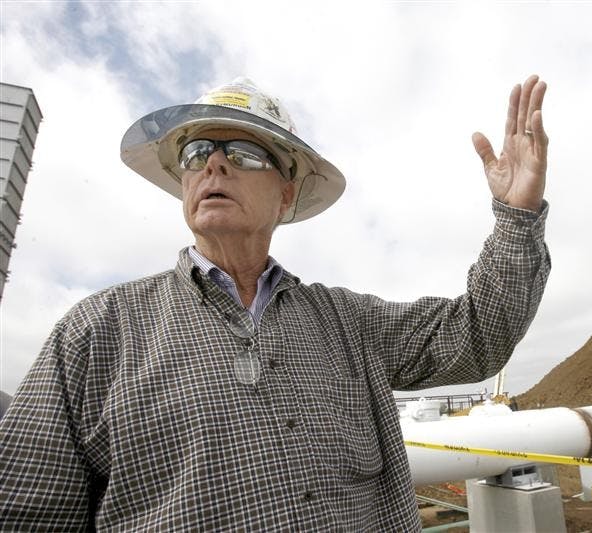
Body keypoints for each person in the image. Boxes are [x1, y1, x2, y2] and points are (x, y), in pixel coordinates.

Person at [0, 75, 551, 530]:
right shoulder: (95, 334)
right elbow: (25, 514)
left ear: (287, 194)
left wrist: (517, 217)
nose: (214, 166)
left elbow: (477, 334)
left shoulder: (346, 322)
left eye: (242, 152)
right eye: (198, 152)